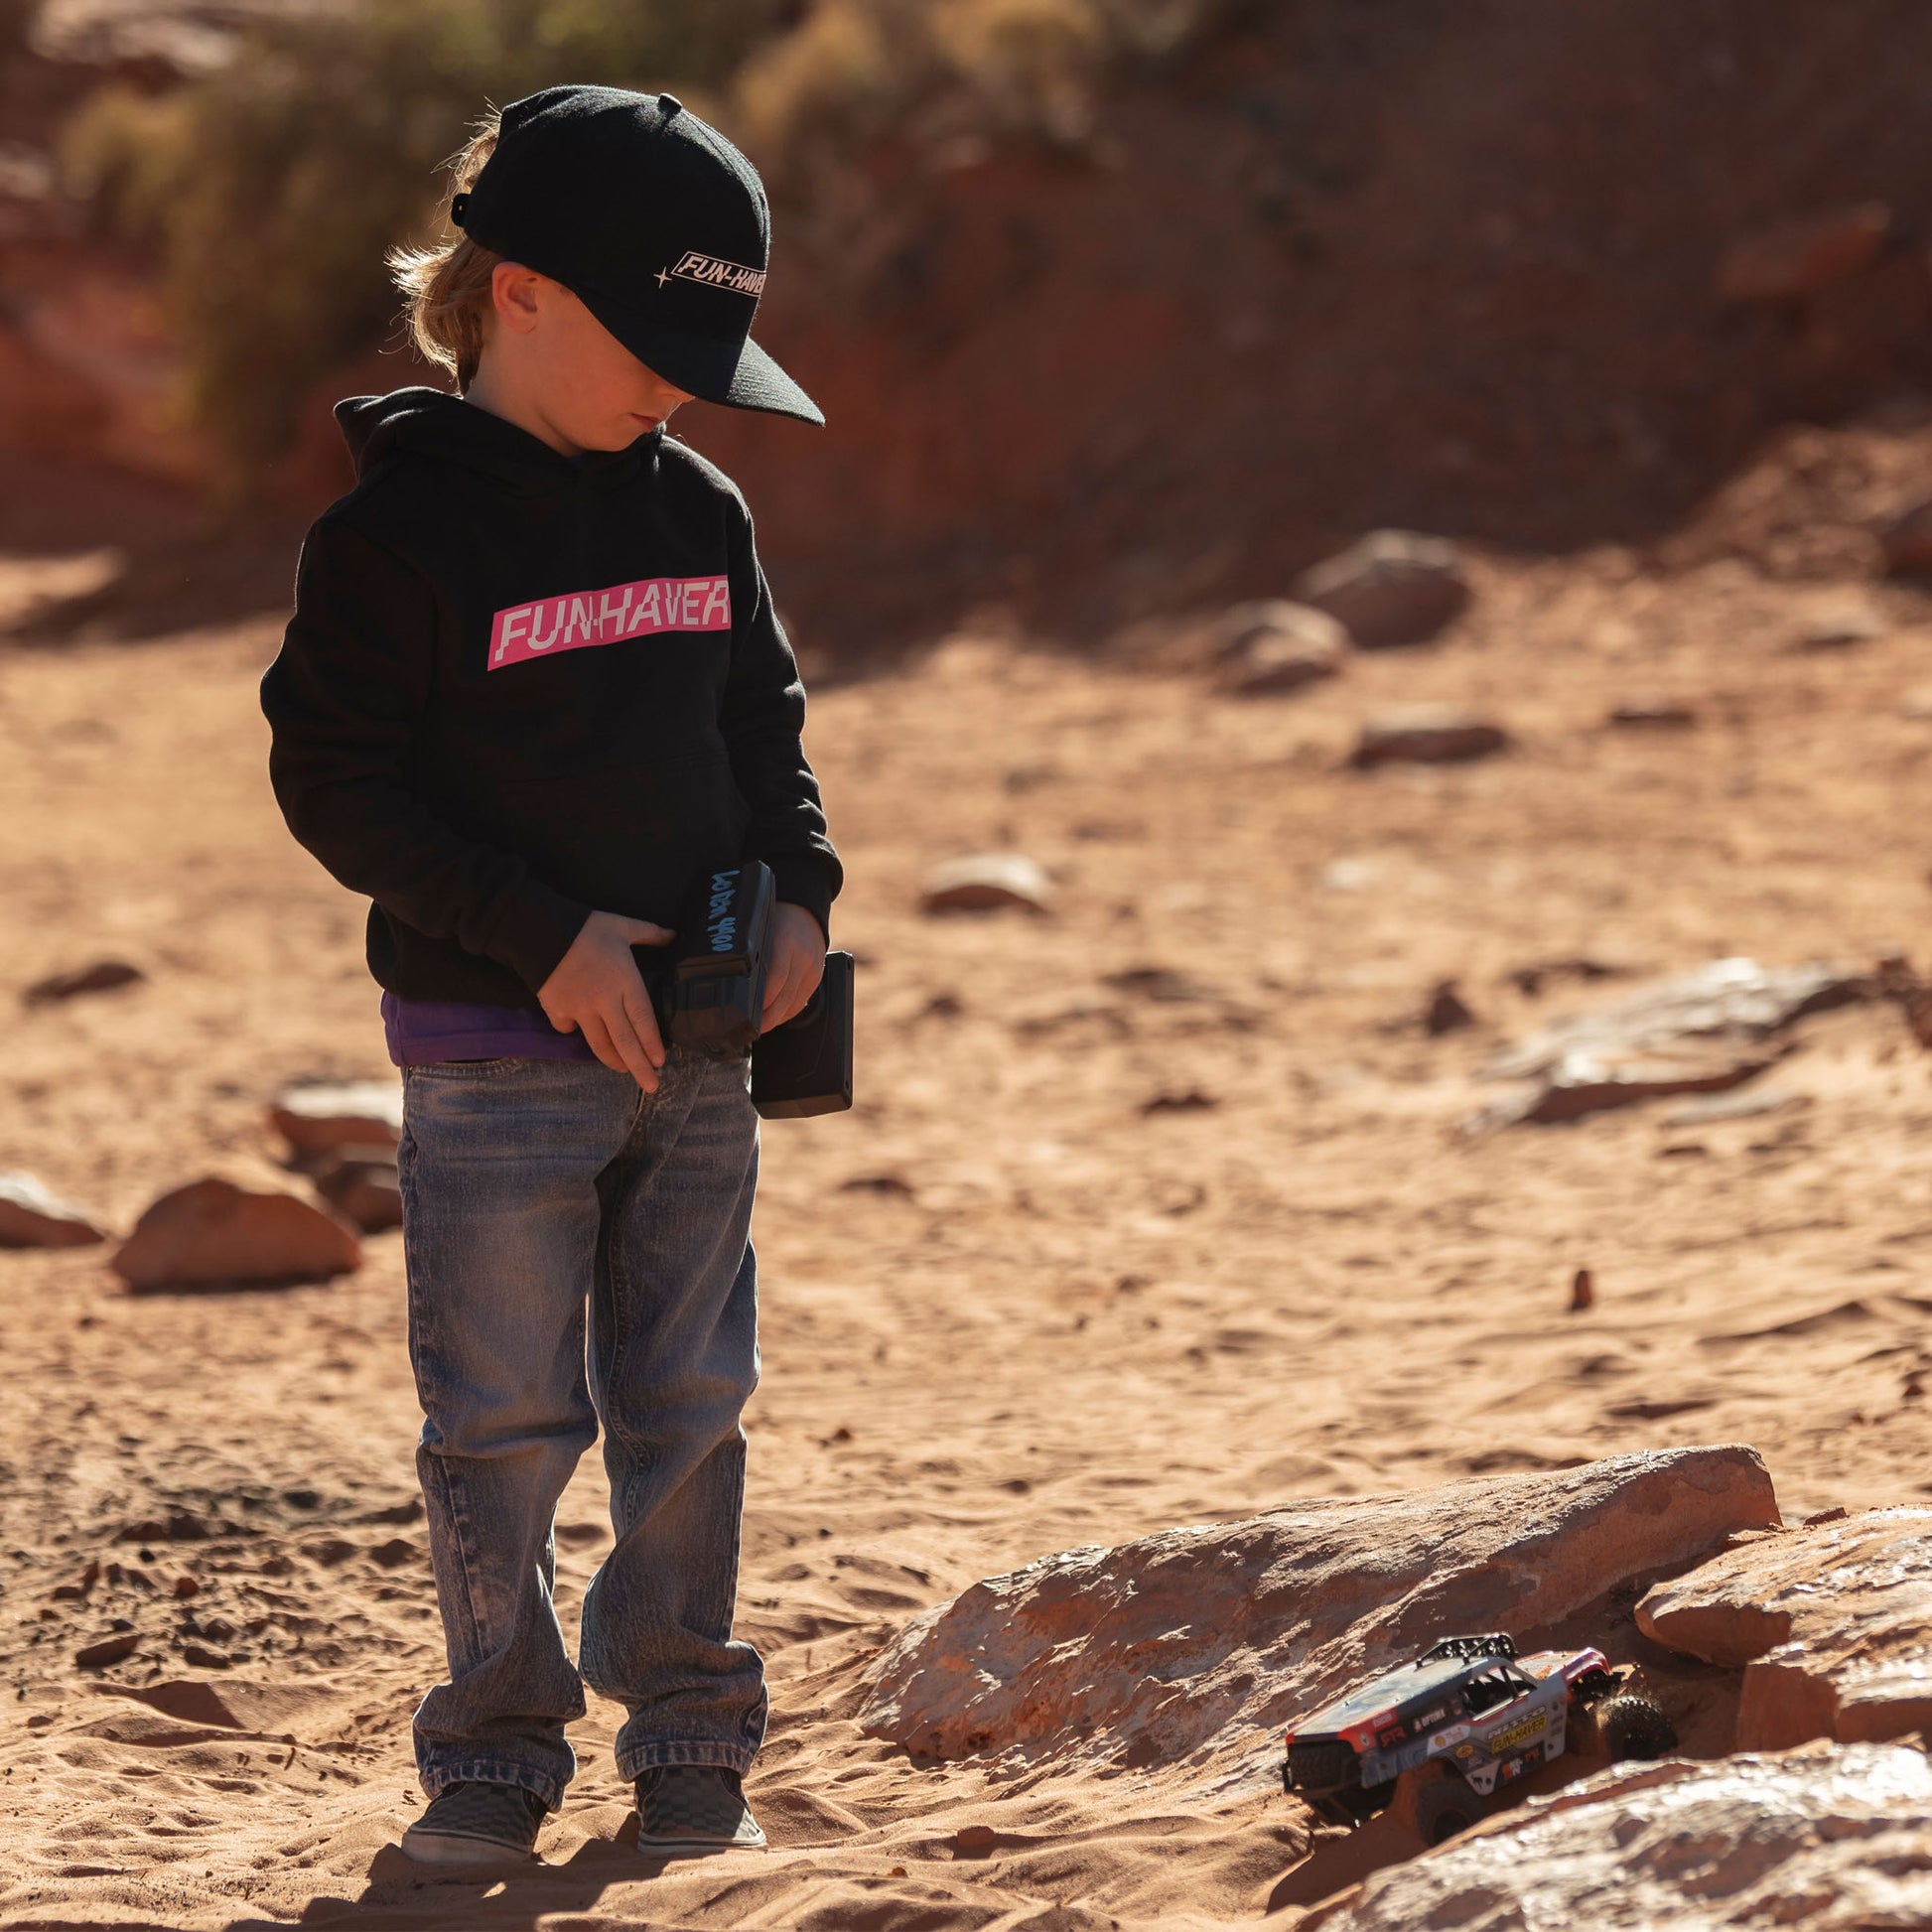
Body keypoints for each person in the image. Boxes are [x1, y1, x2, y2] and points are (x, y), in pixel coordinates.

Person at [259, 84, 840, 1865]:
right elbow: (333, 777)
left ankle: (686, 1727)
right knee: (501, 1419)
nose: (680, 379)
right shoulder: (395, 535)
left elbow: (767, 728)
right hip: (490, 1056)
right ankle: (496, 1742)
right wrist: (546, 936)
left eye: (708, 343)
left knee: (692, 1393)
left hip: (707, 1048)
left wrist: (803, 892)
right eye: (652, 336)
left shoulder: (699, 511)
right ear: (513, 291)